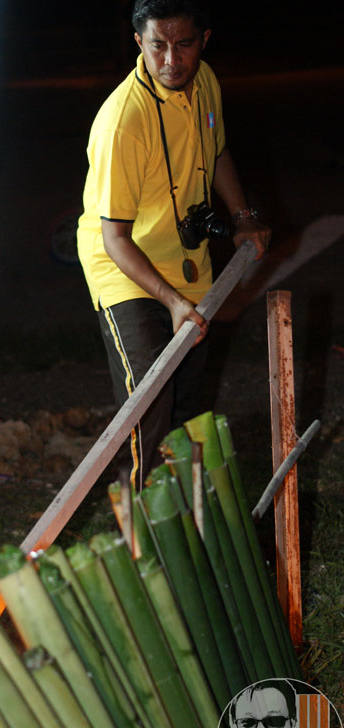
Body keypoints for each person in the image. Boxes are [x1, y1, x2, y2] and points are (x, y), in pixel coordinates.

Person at [76, 0, 271, 489]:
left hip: (186, 259)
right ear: (138, 41)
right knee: (149, 405)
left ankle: (189, 517)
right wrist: (171, 302)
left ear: (204, 39)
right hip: (125, 266)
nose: (171, 61)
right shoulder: (122, 121)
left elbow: (218, 149)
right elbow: (114, 237)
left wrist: (243, 217)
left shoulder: (204, 81)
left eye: (184, 45)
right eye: (158, 45)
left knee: (186, 400)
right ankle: (147, 535)